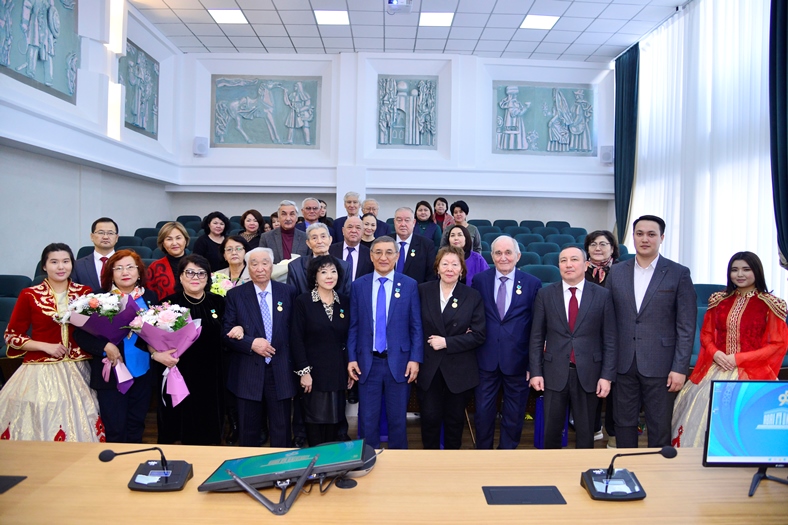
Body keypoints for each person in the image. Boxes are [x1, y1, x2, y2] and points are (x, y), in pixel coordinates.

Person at [671, 252, 788, 448]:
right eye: (734, 270)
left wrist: (739, 359)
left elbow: (778, 344)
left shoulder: (770, 304)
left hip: (753, 372)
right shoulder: (719, 300)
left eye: (746, 269)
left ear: (757, 271)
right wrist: (716, 353)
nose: (739, 274)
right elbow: (706, 335)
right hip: (718, 366)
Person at [606, 215, 696, 448]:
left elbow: (686, 326)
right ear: (633, 237)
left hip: (662, 365)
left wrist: (680, 368)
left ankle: (658, 468)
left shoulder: (678, 273)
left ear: (662, 238)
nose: (644, 239)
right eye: (639, 234)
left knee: (659, 425)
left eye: (651, 234)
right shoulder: (617, 272)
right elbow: (608, 321)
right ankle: (626, 464)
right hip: (623, 363)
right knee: (623, 423)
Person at [0, 243, 103, 441]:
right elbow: (12, 335)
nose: (61, 267)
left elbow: (93, 329)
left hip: (79, 367)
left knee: (84, 414)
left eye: (66, 261)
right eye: (54, 262)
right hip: (40, 367)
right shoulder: (29, 294)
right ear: (44, 266)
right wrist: (44, 346)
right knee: (43, 412)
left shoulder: (84, 293)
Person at [529, 247, 617, 449]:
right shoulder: (545, 294)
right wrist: (535, 372)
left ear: (586, 265)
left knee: (586, 433)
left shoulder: (602, 295)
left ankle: (582, 467)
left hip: (589, 374)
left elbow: (610, 340)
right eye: (563, 260)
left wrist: (607, 376)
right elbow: (536, 337)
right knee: (551, 432)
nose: (568, 264)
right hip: (553, 373)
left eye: (574, 259)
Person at [74, 249, 157, 443]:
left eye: (130, 267)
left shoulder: (150, 297)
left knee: (137, 423)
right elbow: (80, 334)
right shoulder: (97, 298)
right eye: (118, 268)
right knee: (115, 427)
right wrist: (105, 346)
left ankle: (135, 458)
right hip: (111, 372)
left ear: (139, 272)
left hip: (142, 371)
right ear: (111, 274)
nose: (124, 272)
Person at [348, 236, 423, 449]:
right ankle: (368, 460)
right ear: (371, 256)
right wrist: (351, 358)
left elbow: (416, 326)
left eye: (389, 252)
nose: (384, 257)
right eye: (378, 252)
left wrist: (415, 359)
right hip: (367, 363)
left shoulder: (409, 285)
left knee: (398, 420)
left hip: (399, 363)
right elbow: (353, 326)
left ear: (397, 256)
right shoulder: (358, 286)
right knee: (367, 420)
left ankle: (398, 462)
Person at [471, 235, 541, 449]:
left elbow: (536, 328)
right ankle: (483, 453)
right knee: (483, 412)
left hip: (518, 361)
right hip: (485, 359)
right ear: (491, 256)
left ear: (518, 256)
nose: (503, 257)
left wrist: (533, 365)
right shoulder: (479, 281)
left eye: (508, 252)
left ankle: (507, 453)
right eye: (498, 253)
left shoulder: (532, 284)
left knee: (514, 413)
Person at [223, 248, 297, 447]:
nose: (260, 268)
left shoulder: (288, 292)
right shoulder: (236, 295)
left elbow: (296, 332)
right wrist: (251, 343)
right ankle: (248, 466)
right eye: (254, 264)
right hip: (248, 371)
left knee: (282, 429)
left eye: (265, 263)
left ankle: (282, 466)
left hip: (280, 370)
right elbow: (226, 333)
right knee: (248, 431)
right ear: (248, 267)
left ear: (272, 266)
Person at [417, 246, 486, 449]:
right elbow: (414, 327)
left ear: (462, 270)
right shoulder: (422, 291)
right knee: (429, 419)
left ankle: (451, 464)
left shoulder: (472, 296)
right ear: (437, 268)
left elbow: (479, 335)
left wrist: (447, 342)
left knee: (454, 422)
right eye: (445, 264)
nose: (450, 269)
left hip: (459, 370)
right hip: (429, 367)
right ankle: (430, 461)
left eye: (455, 264)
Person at [157, 254, 227, 445]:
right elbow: (152, 339)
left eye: (201, 273)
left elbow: (228, 331)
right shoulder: (168, 305)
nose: (195, 277)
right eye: (190, 272)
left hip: (212, 373)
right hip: (179, 371)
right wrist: (157, 354)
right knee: (179, 424)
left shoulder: (219, 302)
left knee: (209, 424)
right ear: (180, 276)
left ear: (208, 277)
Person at [291, 256, 352, 447]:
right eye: (323, 272)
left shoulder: (344, 302)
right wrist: (304, 372)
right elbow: (296, 339)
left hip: (337, 371)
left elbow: (348, 338)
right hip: (313, 374)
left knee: (335, 422)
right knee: (314, 424)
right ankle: (316, 462)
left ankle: (331, 462)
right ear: (314, 276)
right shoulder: (303, 301)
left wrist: (348, 368)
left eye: (333, 271)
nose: (329, 276)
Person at [583, 229, 620, 444]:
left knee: (615, 386)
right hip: (589, 337)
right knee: (590, 385)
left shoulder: (622, 271)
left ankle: (613, 432)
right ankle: (593, 426)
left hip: (616, 335)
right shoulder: (580, 270)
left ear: (612, 248)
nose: (598, 248)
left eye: (603, 244)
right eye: (593, 244)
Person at [287, 223, 351, 296]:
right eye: (314, 238)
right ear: (308, 243)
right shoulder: (296, 267)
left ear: (330, 240)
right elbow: (291, 297)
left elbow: (347, 296)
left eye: (323, 236)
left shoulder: (344, 266)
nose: (319, 241)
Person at [71, 217, 119, 291]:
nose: (105, 237)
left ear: (116, 238)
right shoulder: (77, 266)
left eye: (110, 233)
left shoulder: (126, 264)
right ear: (92, 237)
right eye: (101, 233)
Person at [146, 221, 190, 301]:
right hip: (165, 308)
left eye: (178, 238)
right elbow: (150, 297)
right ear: (163, 243)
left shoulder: (198, 264)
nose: (174, 243)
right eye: (169, 239)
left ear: (185, 240)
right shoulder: (155, 267)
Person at [392, 207, 437, 284]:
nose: (403, 224)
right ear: (394, 222)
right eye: (399, 220)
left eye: (407, 220)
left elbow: (431, 275)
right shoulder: (384, 242)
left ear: (414, 222)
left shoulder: (426, 245)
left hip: (416, 289)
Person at [329, 216, 374, 282]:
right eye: (350, 227)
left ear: (363, 232)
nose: (353, 231)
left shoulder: (369, 254)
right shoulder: (331, 250)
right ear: (343, 230)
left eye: (358, 228)